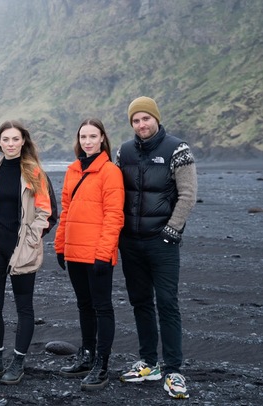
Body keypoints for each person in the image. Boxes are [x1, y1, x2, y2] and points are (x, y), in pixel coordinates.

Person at [116, 96, 197, 399]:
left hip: (162, 242)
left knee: (167, 303)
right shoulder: (123, 151)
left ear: (156, 119)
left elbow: (187, 195)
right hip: (131, 242)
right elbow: (114, 192)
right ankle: (148, 362)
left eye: (145, 118)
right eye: (136, 120)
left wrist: (171, 231)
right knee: (140, 302)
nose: (141, 124)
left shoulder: (177, 149)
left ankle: (173, 370)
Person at [0, 120, 52, 385]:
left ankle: (17, 363)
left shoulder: (33, 172)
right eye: (6, 139)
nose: (11, 144)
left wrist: (29, 240)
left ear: (23, 141)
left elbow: (45, 212)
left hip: (22, 248)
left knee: (24, 307)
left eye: (16, 139)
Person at [54, 118, 124, 391]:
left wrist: (104, 252)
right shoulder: (73, 170)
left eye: (93, 136)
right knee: (84, 306)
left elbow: (114, 215)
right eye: (83, 136)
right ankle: (87, 356)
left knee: (102, 307)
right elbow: (67, 212)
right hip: (74, 251)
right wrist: (61, 246)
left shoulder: (110, 171)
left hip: (97, 252)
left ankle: (102, 365)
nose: (87, 141)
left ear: (102, 138)